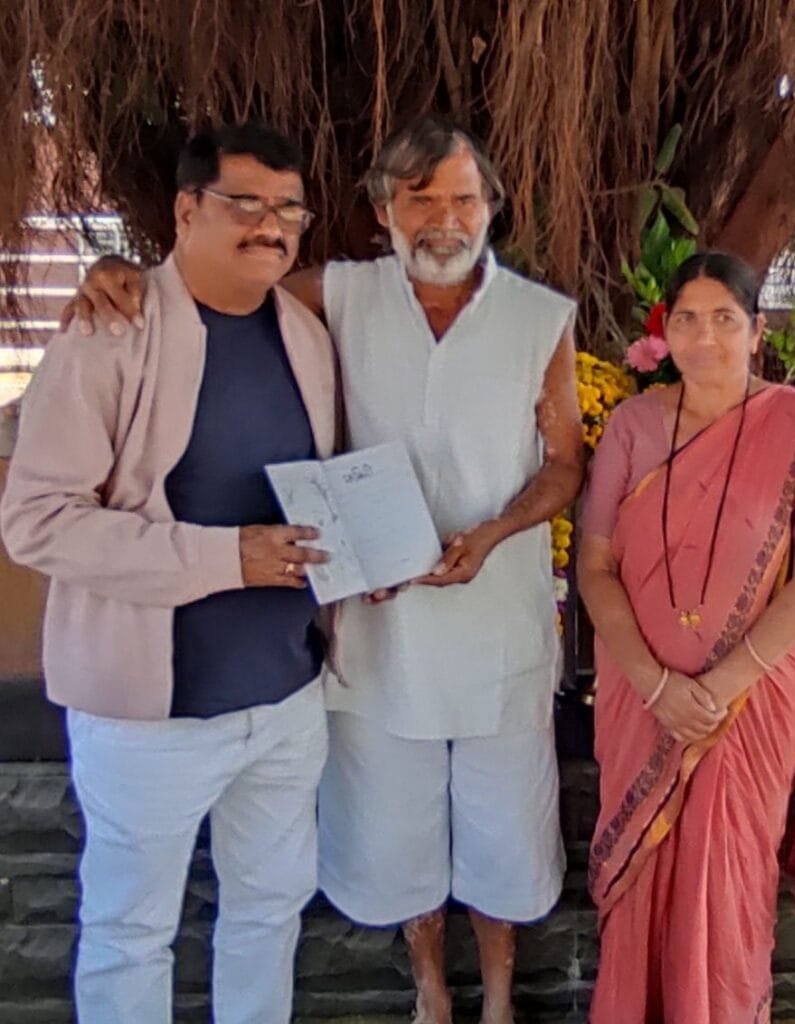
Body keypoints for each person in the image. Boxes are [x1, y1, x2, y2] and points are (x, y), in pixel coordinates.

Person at [59, 114, 585, 1024]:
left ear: (492, 206)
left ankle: (499, 998)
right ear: (382, 209)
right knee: (392, 828)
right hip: (376, 618)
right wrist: (118, 273)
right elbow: (213, 287)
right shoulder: (332, 295)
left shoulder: (540, 317)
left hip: (493, 614)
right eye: (419, 198)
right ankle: (430, 990)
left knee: (504, 830)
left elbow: (566, 461)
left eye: (463, 198)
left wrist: (496, 531)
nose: (443, 219)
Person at [2, 123, 336, 1024]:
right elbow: (37, 521)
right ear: (186, 210)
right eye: (245, 204)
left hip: (285, 698)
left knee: (268, 916)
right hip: (149, 717)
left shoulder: (305, 336)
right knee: (129, 934)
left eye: (289, 210)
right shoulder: (107, 334)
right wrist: (226, 558)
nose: (271, 226)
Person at [577, 251, 795, 1023]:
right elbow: (594, 565)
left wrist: (717, 687)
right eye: (686, 319)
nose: (704, 336)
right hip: (639, 697)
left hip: (748, 704)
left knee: (729, 875)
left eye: (724, 318)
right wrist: (656, 685)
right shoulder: (631, 425)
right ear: (665, 331)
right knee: (640, 880)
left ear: (755, 331)